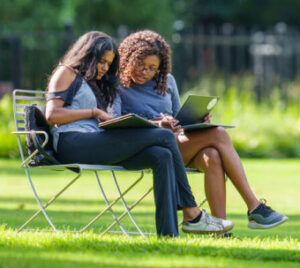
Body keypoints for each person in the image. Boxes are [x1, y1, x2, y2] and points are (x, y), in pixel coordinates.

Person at [45, 30, 234, 237]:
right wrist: (94, 112)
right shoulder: (66, 72)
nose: (105, 68)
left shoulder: (96, 81)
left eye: (108, 64)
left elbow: (109, 116)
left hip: (96, 141)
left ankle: (169, 235)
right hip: (72, 142)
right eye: (101, 62)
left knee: (161, 155)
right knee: (164, 136)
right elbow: (52, 114)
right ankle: (192, 213)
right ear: (87, 55)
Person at [111, 29, 288, 231]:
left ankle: (220, 233)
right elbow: (114, 121)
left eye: (152, 68)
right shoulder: (117, 84)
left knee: (212, 155)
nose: (146, 72)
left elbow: (178, 120)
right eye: (141, 65)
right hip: (145, 147)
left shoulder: (166, 81)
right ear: (128, 59)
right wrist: (155, 123)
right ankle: (254, 206)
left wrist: (195, 120)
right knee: (218, 133)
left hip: (174, 143)